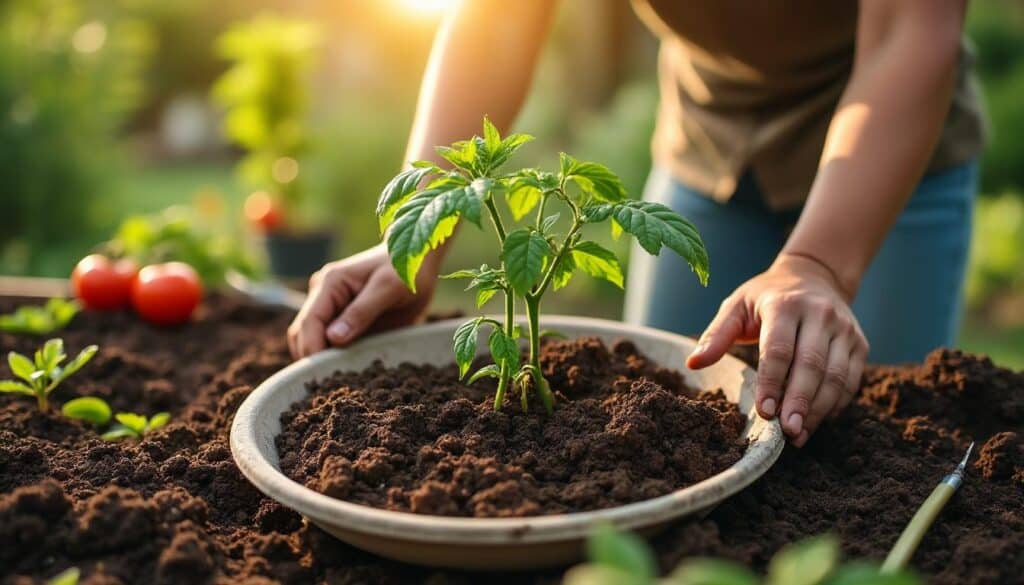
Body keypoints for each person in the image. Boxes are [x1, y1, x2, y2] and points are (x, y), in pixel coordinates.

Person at [288, 0, 984, 447]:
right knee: (663, 421)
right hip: (709, 143)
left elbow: (909, 30)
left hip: (892, 164)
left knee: (869, 453)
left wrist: (821, 265)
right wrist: (420, 229)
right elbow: (500, 15)